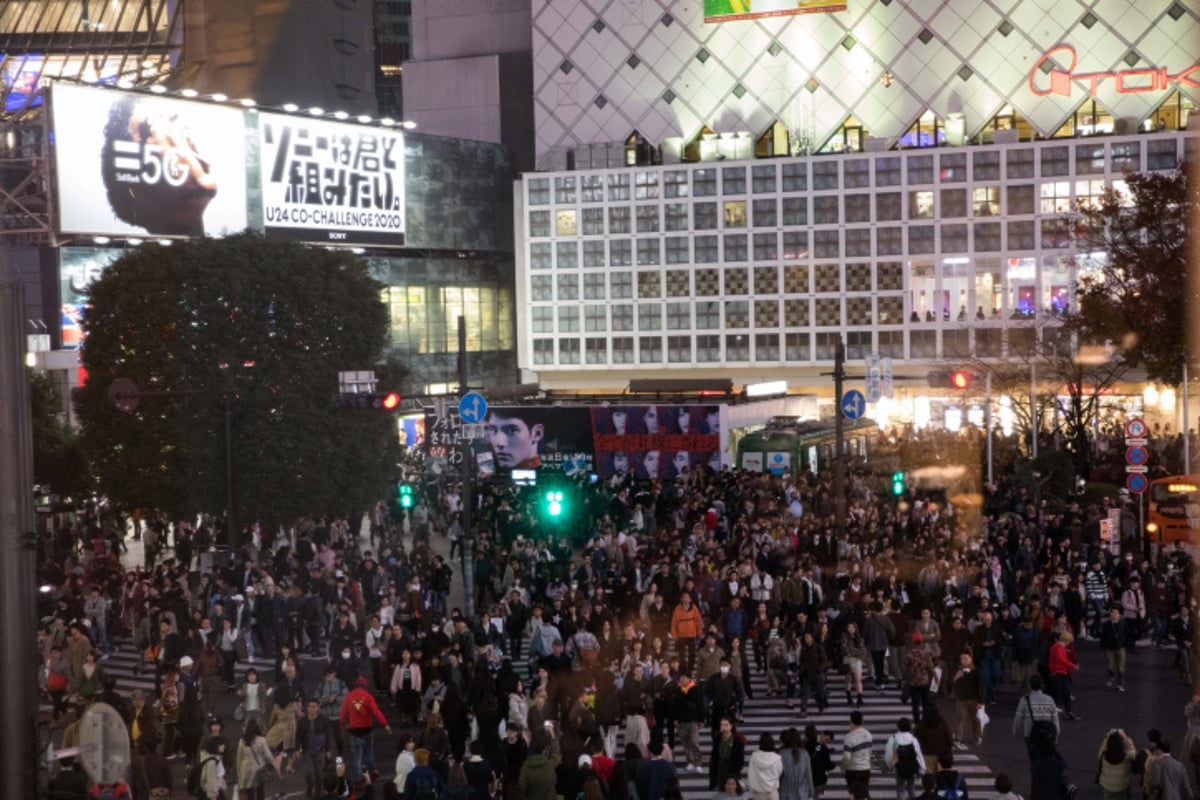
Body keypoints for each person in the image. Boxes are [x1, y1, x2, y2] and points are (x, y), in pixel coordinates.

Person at [339, 676, 393, 784]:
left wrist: (344, 726)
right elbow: (376, 712)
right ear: (365, 686)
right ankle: (372, 774)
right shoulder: (368, 697)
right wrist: (386, 725)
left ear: (355, 685)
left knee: (357, 758)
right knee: (369, 754)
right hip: (367, 730)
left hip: (355, 732)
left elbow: (342, 715)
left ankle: (358, 780)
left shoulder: (349, 697)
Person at [1011, 674, 1060, 764]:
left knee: (1034, 760)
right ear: (1041, 685)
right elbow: (1055, 718)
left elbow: (1018, 718)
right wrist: (1056, 733)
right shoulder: (1049, 699)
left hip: (1030, 733)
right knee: (1046, 759)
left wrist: (1015, 731)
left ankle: (1035, 776)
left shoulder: (1024, 700)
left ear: (1030, 686)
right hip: (1047, 734)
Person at [237, 718, 281, 800]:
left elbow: (239, 758)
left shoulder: (242, 741)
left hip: (246, 770)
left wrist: (239, 774)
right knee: (260, 790)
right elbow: (268, 756)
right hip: (258, 769)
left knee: (249, 792)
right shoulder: (261, 740)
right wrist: (275, 766)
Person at [883, 717, 925, 800]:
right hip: (912, 766)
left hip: (900, 767)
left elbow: (888, 754)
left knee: (900, 788)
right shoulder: (913, 739)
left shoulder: (894, 738)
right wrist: (922, 768)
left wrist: (890, 765)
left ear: (898, 727)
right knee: (911, 788)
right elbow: (918, 754)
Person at [951, 651, 983, 748]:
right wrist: (956, 677)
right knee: (960, 719)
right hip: (961, 699)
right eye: (961, 659)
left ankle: (977, 736)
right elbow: (952, 684)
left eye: (966, 659)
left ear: (971, 659)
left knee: (974, 719)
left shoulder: (976, 671)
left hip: (973, 699)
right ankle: (958, 738)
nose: (963, 661)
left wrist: (981, 701)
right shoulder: (958, 670)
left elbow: (981, 686)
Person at [1048, 631, 1081, 721]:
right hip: (1058, 673)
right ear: (1066, 640)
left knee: (1063, 693)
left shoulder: (1058, 647)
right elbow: (1062, 660)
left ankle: (1068, 712)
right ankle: (1067, 712)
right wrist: (1073, 666)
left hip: (1060, 673)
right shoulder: (1058, 647)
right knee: (1058, 694)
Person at [519, 730, 561, 800]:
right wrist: (553, 736)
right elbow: (556, 754)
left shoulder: (525, 768)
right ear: (543, 751)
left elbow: (521, 789)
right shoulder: (549, 765)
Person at [841, 710, 873, 800]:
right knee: (863, 793)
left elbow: (847, 757)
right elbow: (869, 752)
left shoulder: (849, 737)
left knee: (853, 795)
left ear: (850, 721)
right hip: (866, 769)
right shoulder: (868, 735)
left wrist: (843, 768)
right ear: (862, 721)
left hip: (853, 770)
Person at [1097, 728, 1137, 800]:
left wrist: (1107, 737)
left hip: (1107, 786)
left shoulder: (1103, 756)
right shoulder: (1127, 756)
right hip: (1123, 785)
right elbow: (1133, 751)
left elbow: (1103, 748)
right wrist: (1124, 737)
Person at [709, 717, 747, 792]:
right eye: (722, 725)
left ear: (731, 726)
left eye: (726, 725)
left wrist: (736, 771)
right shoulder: (717, 739)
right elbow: (714, 757)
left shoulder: (737, 740)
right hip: (720, 771)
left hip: (732, 771)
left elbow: (740, 758)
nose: (723, 727)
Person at [779, 728, 815, 800]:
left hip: (786, 791)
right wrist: (811, 791)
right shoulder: (805, 754)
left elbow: (779, 775)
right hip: (802, 792)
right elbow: (808, 774)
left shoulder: (782, 753)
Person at [1100, 607, 1130, 692]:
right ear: (1111, 614)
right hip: (1110, 648)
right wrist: (1103, 646)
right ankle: (1111, 675)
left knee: (1121, 668)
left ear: (1119, 615)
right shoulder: (1106, 625)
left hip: (1121, 648)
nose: (1115, 615)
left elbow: (1127, 634)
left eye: (1117, 613)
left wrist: (1127, 645)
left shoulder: (1123, 623)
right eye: (1113, 613)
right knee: (1110, 666)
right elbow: (1103, 636)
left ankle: (1120, 684)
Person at [747, 732, 783, 800]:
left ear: (760, 743)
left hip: (758, 793)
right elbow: (779, 773)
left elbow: (751, 774)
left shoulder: (754, 756)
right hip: (772, 792)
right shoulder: (777, 758)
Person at [198, 735, 227, 800]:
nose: (224, 746)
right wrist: (213, 797)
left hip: (217, 791)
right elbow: (211, 782)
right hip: (214, 794)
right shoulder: (211, 763)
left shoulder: (217, 758)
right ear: (216, 746)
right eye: (221, 745)